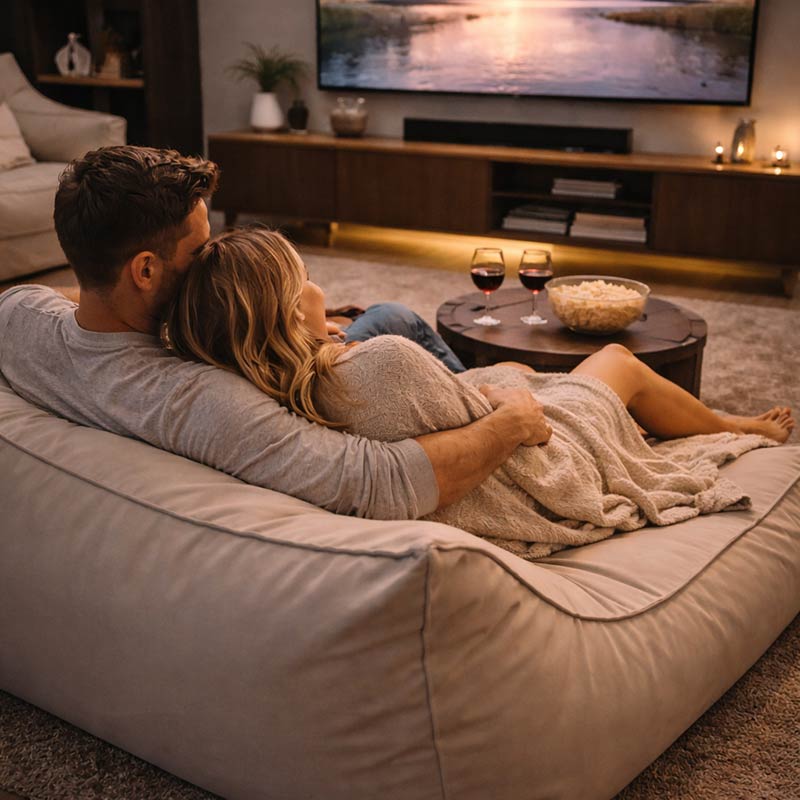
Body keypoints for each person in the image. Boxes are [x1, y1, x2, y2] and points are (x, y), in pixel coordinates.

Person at [162, 227, 796, 558]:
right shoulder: (379, 363)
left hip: (471, 425)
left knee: (523, 373)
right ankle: (737, 425)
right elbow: (525, 429)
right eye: (303, 275)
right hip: (544, 464)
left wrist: (318, 341)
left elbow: (452, 402)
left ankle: (714, 418)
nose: (315, 282)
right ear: (281, 307)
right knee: (615, 359)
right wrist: (512, 387)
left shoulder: (265, 381)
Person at [0, 144, 551, 520]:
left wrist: (288, 319)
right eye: (200, 251)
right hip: (357, 385)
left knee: (385, 313)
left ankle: (473, 377)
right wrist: (510, 422)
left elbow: (68, 302)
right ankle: (496, 387)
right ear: (145, 271)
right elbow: (378, 484)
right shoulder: (195, 399)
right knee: (396, 323)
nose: (215, 258)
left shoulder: (17, 317)